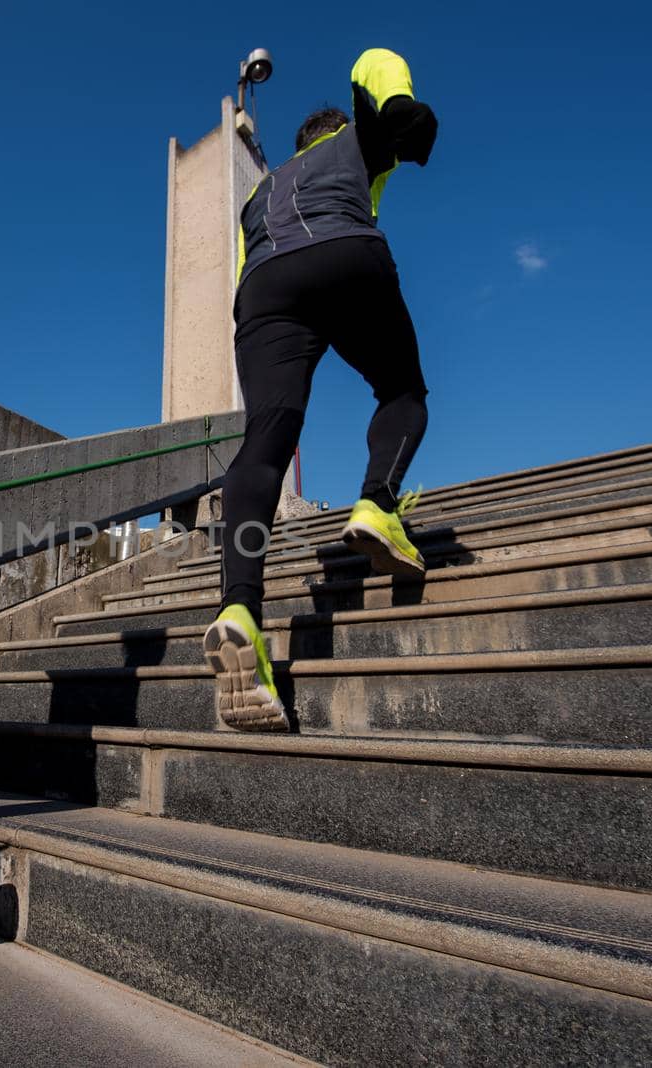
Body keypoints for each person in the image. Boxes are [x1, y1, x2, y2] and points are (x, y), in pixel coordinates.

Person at [202, 48, 439, 731]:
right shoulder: (354, 142)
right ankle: (376, 505)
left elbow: (249, 281)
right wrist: (396, 109)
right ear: (335, 133)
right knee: (402, 390)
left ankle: (239, 606)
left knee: (265, 441)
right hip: (342, 249)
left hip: (264, 292)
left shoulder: (260, 192)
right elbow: (374, 59)